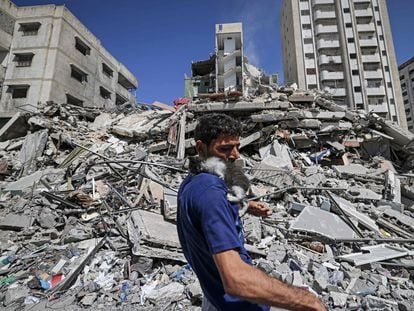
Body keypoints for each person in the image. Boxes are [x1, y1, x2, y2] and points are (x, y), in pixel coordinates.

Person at [177, 113, 326, 311]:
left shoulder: (193, 182)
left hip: (213, 295)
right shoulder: (211, 195)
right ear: (200, 148)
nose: (235, 155)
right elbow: (236, 280)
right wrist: (309, 301)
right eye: (225, 148)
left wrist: (247, 206)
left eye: (237, 146)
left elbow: (206, 211)